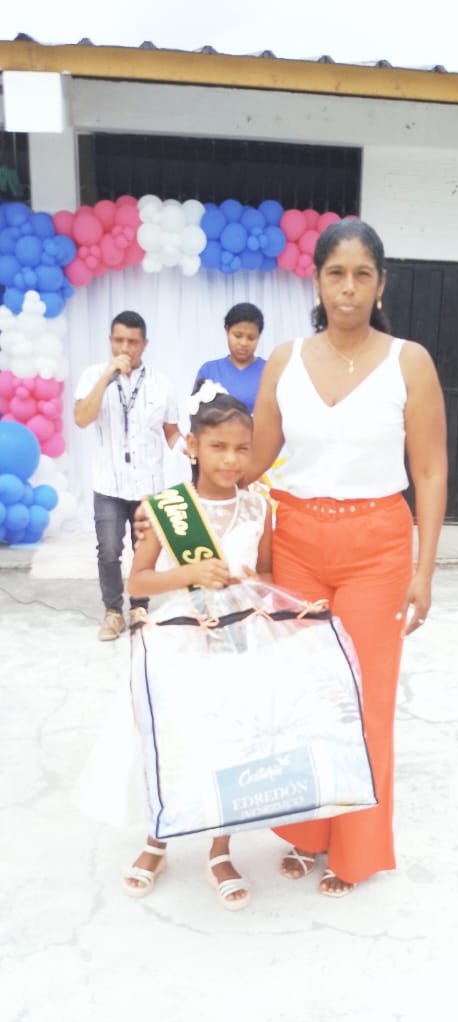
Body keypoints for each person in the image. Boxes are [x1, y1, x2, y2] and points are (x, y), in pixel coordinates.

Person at [244, 218, 448, 897]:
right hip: (297, 545)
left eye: (363, 275)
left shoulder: (408, 362)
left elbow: (430, 471)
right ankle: (307, 834)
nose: (349, 288)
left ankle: (355, 851)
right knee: (306, 697)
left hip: (377, 550)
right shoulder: (285, 360)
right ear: (317, 281)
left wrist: (424, 570)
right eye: (337, 274)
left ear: (381, 284)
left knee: (365, 701)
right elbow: (254, 458)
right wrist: (181, 504)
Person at [123, 382, 272, 910]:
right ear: (191, 446)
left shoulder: (259, 509)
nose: (230, 459)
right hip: (180, 642)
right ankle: (158, 838)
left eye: (241, 448)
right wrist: (188, 573)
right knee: (173, 743)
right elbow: (137, 581)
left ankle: (220, 849)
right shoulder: (167, 508)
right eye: (218, 446)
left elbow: (268, 575)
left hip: (238, 641)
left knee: (231, 742)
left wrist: (251, 581)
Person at [74, 310, 183, 641]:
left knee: (144, 551)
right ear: (110, 341)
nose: (125, 348)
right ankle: (112, 612)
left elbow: (171, 433)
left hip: (148, 485)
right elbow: (81, 418)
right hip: (108, 483)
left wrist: (191, 449)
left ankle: (139, 608)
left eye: (132, 342)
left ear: (144, 344)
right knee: (108, 550)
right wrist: (107, 376)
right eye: (119, 340)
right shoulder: (93, 376)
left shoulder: (162, 383)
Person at [194, 302, 266, 413]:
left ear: (259, 337)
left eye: (251, 338)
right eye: (237, 336)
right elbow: (195, 412)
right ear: (227, 331)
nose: (243, 343)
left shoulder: (269, 371)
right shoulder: (210, 370)